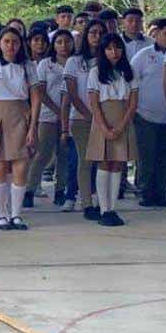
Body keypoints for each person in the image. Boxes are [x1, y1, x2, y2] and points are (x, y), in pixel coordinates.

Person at [0, 26, 43, 231]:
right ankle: (0, 214)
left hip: (21, 116)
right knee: (0, 166)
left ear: (21, 44)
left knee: (21, 166)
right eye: (6, 41)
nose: (11, 45)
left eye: (15, 41)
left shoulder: (28, 66)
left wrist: (33, 126)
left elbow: (36, 98)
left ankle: (16, 214)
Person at [86, 33, 139, 226]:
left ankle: (113, 208)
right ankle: (103, 208)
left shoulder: (130, 71)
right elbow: (94, 104)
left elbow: (133, 103)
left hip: (122, 118)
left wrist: (121, 126)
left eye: (117, 48)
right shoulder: (95, 72)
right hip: (103, 119)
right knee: (104, 162)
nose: (114, 52)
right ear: (103, 51)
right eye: (109, 48)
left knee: (117, 163)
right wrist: (104, 128)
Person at [28, 28, 73, 208]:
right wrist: (57, 110)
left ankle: (60, 190)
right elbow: (40, 91)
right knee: (43, 154)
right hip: (47, 115)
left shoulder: (77, 62)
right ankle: (29, 190)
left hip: (71, 116)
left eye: (67, 41)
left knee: (64, 155)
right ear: (53, 45)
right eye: (59, 42)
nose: (63, 45)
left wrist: (65, 113)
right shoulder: (45, 64)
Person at [65, 19, 105, 219]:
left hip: (105, 119)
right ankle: (87, 203)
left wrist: (101, 117)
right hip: (81, 118)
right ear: (86, 35)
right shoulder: (74, 61)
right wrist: (91, 115)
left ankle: (101, 201)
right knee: (85, 160)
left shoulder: (108, 60)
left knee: (102, 160)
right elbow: (72, 94)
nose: (97, 37)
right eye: (93, 33)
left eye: (100, 33)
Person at [129, 18, 166, 207]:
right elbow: (130, 80)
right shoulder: (144, 55)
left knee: (165, 158)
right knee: (148, 157)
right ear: (157, 34)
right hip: (145, 115)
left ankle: (160, 194)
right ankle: (146, 193)